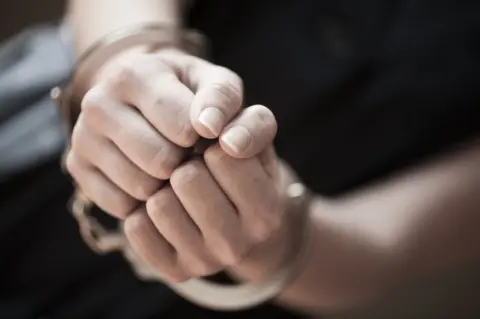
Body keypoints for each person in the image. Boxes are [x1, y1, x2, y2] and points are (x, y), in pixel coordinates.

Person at [2, 0, 479, 318]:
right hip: (48, 121)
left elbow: (388, 249)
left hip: (196, 297)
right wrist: (132, 62)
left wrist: (271, 239)